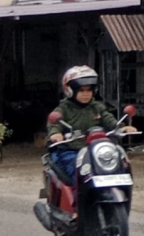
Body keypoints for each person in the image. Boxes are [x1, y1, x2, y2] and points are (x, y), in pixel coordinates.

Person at [43, 65, 122, 200]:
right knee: (79, 172)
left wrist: (121, 127)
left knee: (117, 164)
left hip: (94, 150)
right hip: (71, 150)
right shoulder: (64, 108)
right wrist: (55, 134)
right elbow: (54, 122)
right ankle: (77, 209)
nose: (86, 94)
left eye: (89, 90)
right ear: (70, 91)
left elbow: (108, 119)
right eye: (81, 90)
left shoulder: (97, 107)